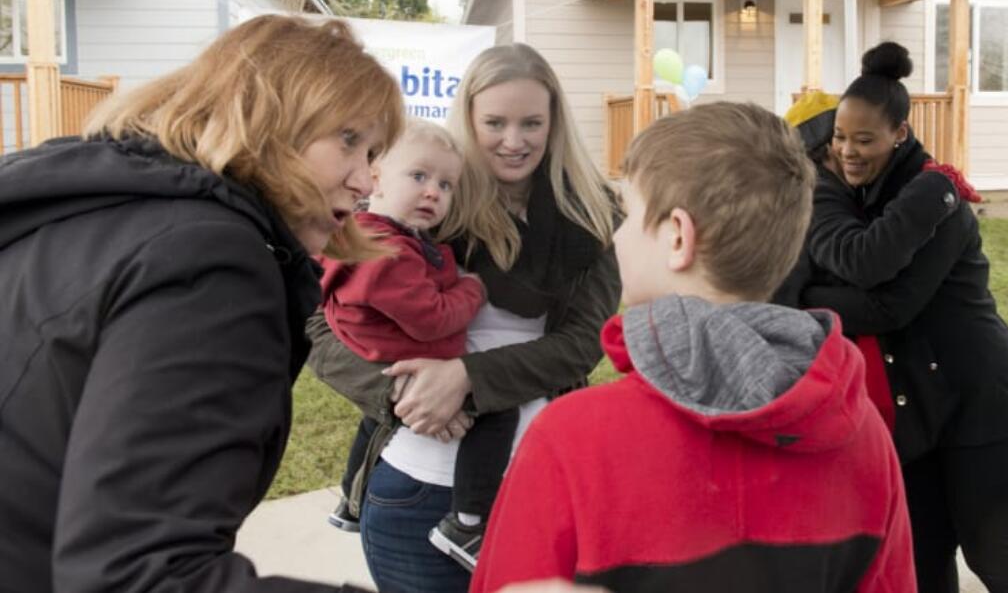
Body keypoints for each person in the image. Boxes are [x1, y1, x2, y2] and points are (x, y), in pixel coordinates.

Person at [0, 15, 403, 592]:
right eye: (349, 141)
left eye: (375, 152)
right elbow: (140, 574)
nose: (368, 180)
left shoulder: (84, 208)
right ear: (271, 117)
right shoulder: (207, 261)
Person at [472, 101, 916, 593]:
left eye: (628, 213)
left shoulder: (570, 439)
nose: (616, 235)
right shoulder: (862, 431)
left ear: (677, 236)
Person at [306, 43, 620, 593]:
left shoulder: (594, 214)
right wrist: (401, 396)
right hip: (416, 492)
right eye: (494, 122)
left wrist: (468, 380)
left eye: (532, 123)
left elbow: (579, 344)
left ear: (555, 123)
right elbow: (321, 325)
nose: (513, 140)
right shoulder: (422, 204)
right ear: (469, 119)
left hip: (543, 487)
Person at [781, 42, 1008, 593]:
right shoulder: (859, 197)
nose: (848, 152)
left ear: (898, 133)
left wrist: (802, 295)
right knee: (923, 558)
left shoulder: (934, 196)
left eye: (863, 140)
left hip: (988, 407)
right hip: (924, 419)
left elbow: (891, 304)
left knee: (993, 554)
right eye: (839, 139)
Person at [318, 119, 520, 563]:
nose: (434, 192)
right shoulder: (386, 251)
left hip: (392, 357)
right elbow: (432, 318)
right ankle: (467, 524)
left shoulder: (384, 236)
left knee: (376, 423)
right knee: (498, 409)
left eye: (446, 185)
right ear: (376, 179)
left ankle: (350, 503)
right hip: (412, 357)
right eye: (419, 177)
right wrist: (474, 289)